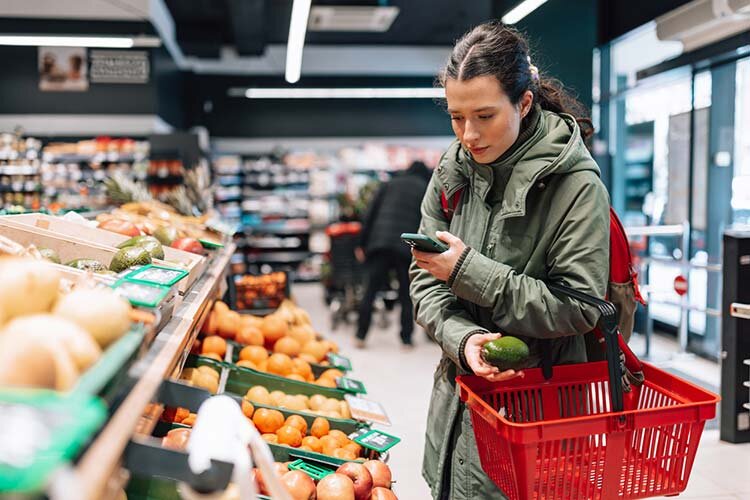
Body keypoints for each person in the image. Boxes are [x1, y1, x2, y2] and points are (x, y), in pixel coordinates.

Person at [409, 22, 610, 499]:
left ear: (523, 102)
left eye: (484, 115)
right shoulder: (452, 170)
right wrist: (465, 339)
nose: (469, 135)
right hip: (457, 404)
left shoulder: (575, 187)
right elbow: (423, 277)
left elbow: (580, 307)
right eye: (456, 118)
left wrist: (467, 271)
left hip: (539, 412)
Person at [355, 160, 432, 348]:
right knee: (406, 294)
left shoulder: (389, 184)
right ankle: (406, 339)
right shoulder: (425, 189)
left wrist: (361, 244)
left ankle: (360, 335)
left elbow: (370, 214)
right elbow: (428, 221)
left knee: (370, 291)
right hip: (405, 246)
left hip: (379, 242)